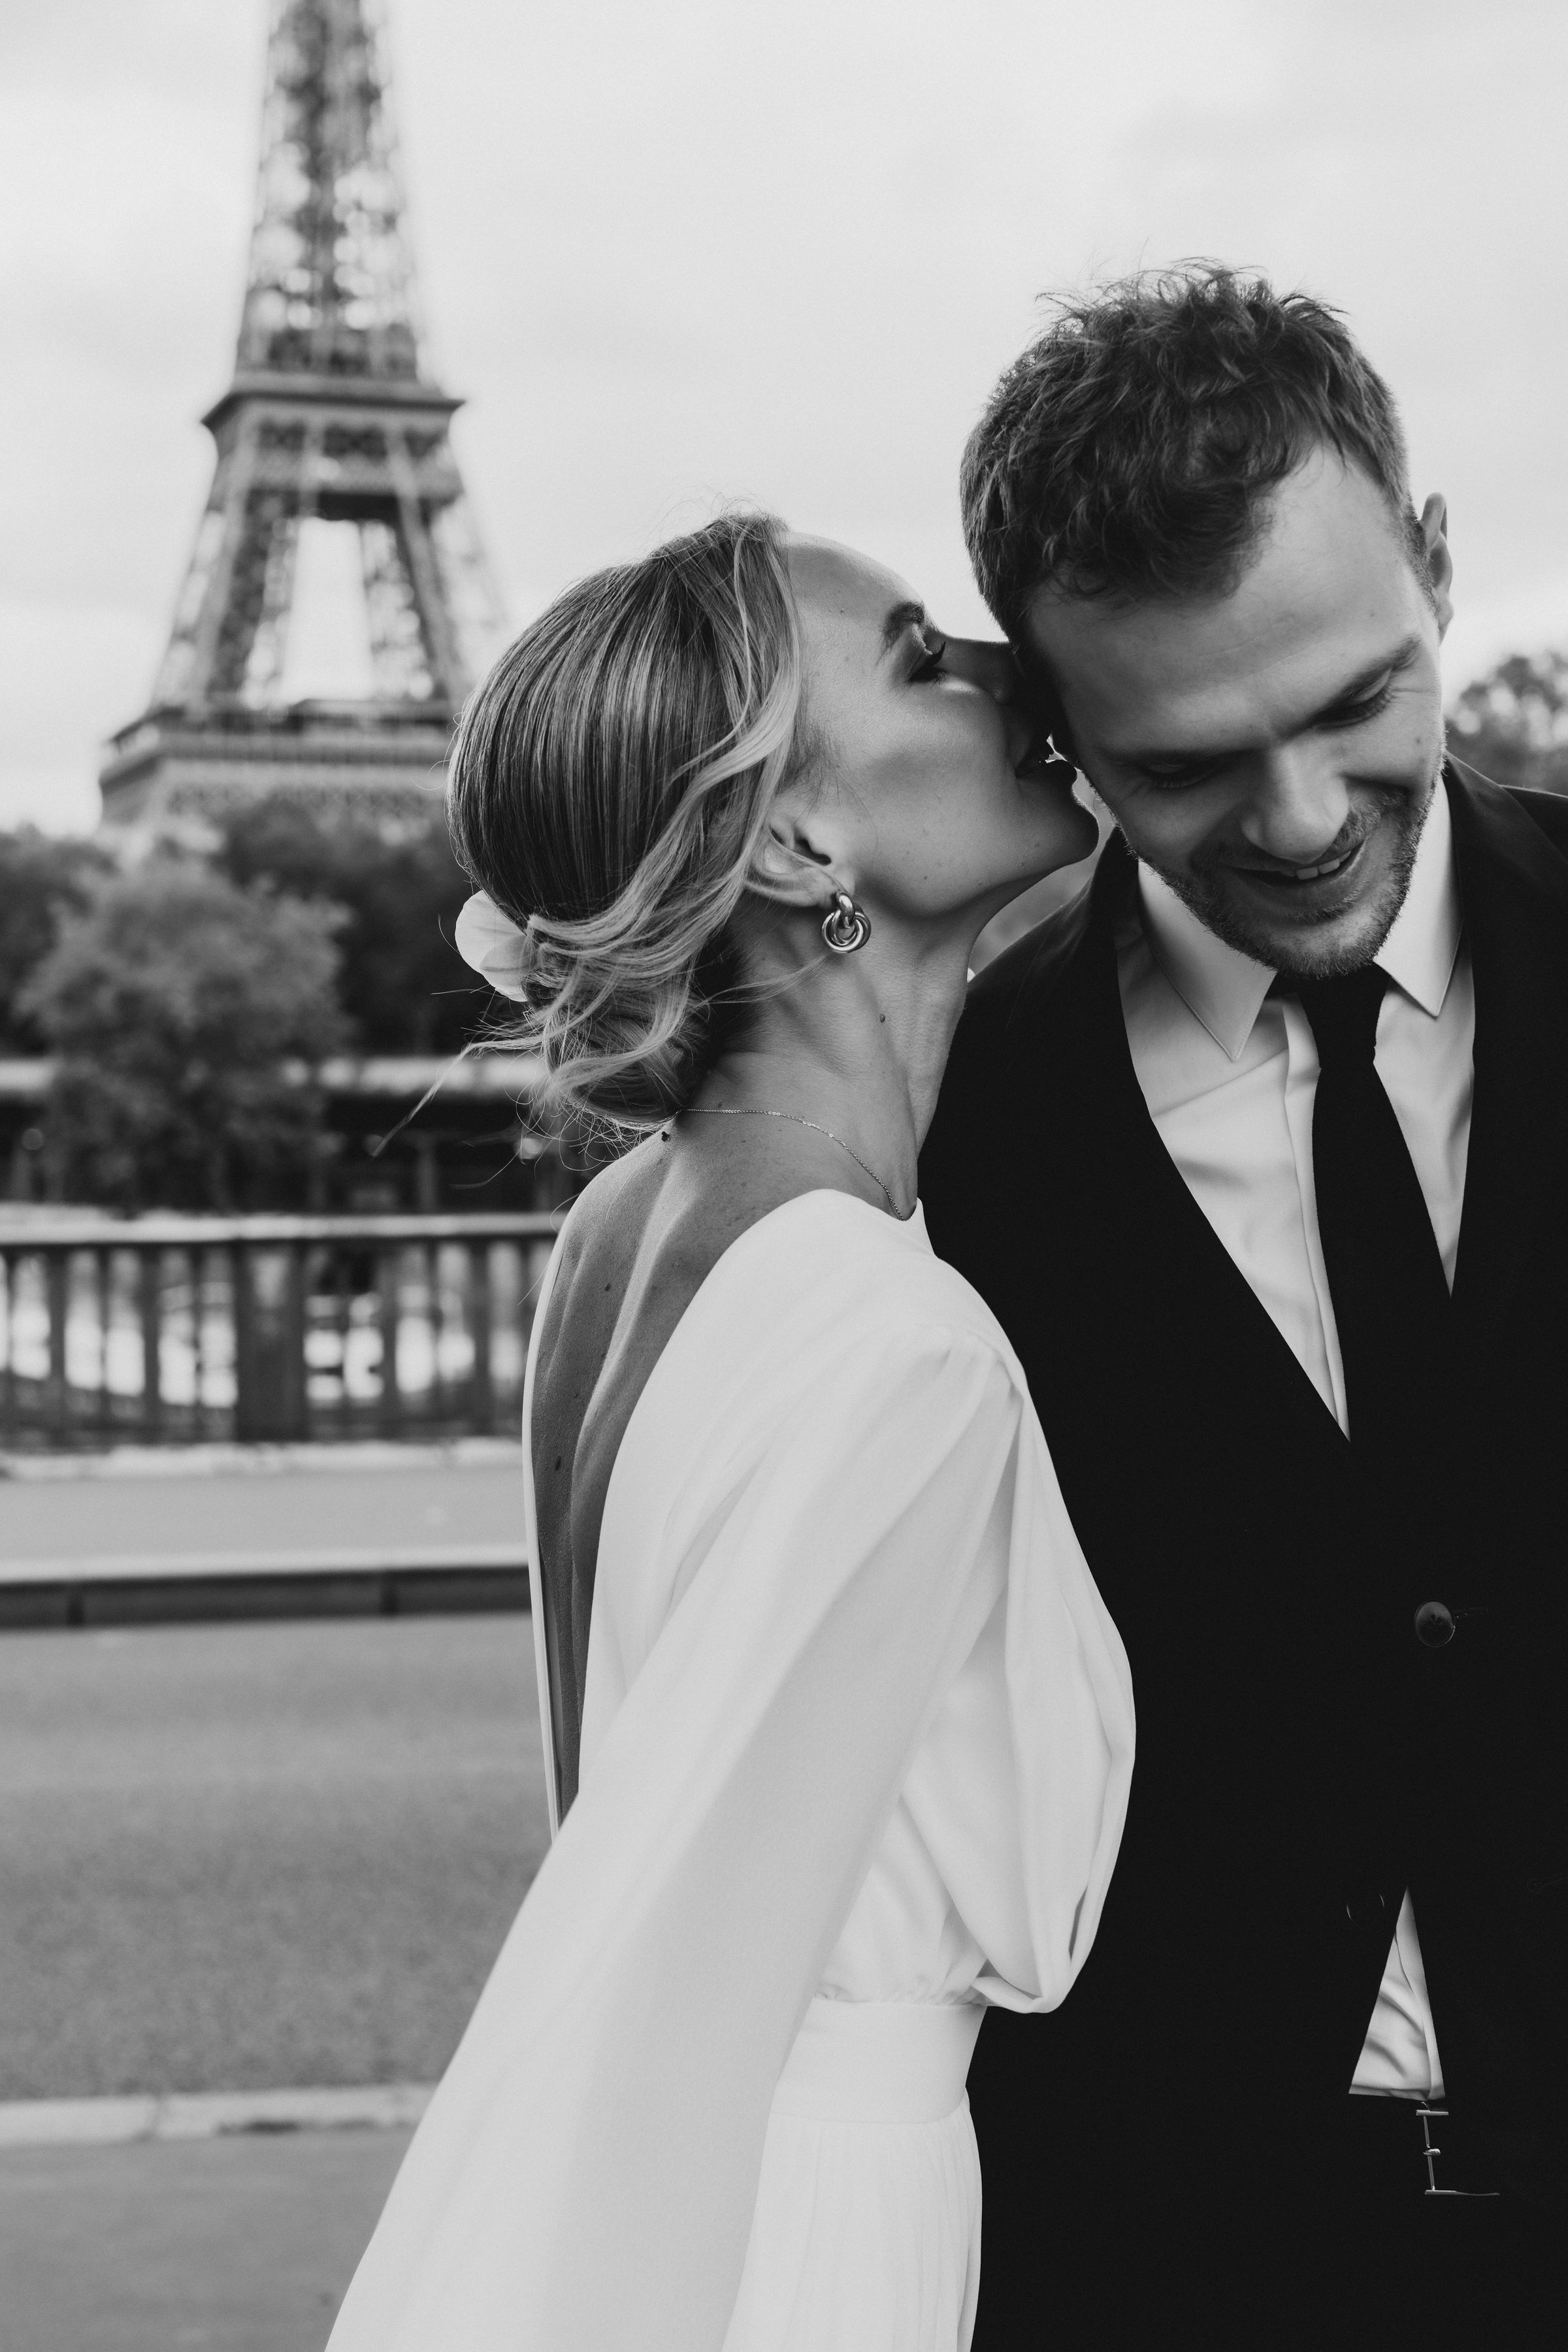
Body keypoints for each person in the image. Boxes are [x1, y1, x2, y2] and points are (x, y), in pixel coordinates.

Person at [326, 514, 1133, 2352]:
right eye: (929, 656)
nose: (1018, 667)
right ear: (791, 836)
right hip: (796, 2247)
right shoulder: (898, 1345)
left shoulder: (621, 1234)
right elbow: (666, 2001)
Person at [921, 264, 1568, 2340]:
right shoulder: (950, 1127)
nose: (1299, 823)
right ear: (1050, 725)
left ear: (1440, 566)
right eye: (1187, 761)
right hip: (1172, 2257)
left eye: (1359, 702)